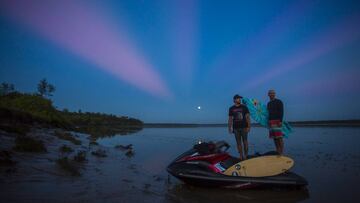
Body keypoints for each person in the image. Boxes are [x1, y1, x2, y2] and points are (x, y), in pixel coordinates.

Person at [228, 94, 251, 160]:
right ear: (234, 100)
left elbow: (247, 117)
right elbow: (230, 118)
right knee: (238, 142)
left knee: (245, 141)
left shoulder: (244, 107)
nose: (239, 100)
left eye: (240, 99)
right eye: (238, 98)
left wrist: (249, 127)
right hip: (236, 128)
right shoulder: (231, 108)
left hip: (244, 127)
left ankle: (246, 155)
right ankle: (241, 156)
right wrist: (229, 128)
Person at [267, 90, 284, 154]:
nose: (272, 94)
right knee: (274, 138)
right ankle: (277, 150)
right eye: (270, 93)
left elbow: (281, 111)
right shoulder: (268, 103)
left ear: (275, 94)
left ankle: (281, 152)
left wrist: (280, 121)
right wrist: (268, 121)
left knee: (279, 137)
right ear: (268, 95)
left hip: (277, 121)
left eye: (273, 93)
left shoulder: (279, 101)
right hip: (271, 122)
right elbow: (268, 113)